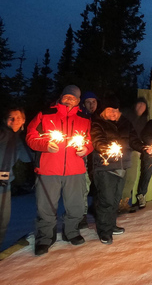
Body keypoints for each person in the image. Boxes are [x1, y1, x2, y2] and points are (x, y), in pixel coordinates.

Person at [26, 85, 93, 256]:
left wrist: (85, 149)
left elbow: (89, 141)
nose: (70, 99)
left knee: (76, 206)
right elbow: (30, 136)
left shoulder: (84, 118)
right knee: (45, 206)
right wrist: (45, 145)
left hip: (75, 170)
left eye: (74, 98)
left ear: (78, 101)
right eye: (67, 96)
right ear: (61, 97)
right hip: (48, 170)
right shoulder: (45, 114)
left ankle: (71, 232)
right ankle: (45, 238)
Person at [90, 96, 146, 244]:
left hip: (122, 165)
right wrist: (106, 149)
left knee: (115, 199)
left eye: (115, 110)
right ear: (103, 111)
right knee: (106, 200)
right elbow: (97, 141)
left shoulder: (125, 123)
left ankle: (111, 224)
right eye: (110, 110)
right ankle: (104, 231)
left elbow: (134, 140)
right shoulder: (98, 123)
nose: (113, 113)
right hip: (105, 167)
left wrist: (144, 148)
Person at [0, 108, 33, 248]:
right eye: (11, 117)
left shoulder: (18, 139)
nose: (15, 121)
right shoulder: (2, 134)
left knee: (2, 222)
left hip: (5, 185)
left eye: (18, 118)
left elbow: (27, 158)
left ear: (24, 120)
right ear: (5, 120)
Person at [120, 97, 149, 211]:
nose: (141, 107)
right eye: (139, 104)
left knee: (131, 177)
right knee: (119, 176)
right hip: (121, 149)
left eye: (143, 105)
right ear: (135, 105)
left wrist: (143, 148)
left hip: (135, 150)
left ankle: (124, 202)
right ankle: (115, 202)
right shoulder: (125, 115)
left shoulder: (144, 121)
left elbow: (144, 136)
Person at [79, 91, 99, 228]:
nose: (91, 105)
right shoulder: (79, 117)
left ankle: (97, 209)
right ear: (83, 103)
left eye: (94, 102)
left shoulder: (100, 117)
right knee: (83, 186)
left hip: (98, 157)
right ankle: (82, 215)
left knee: (99, 185)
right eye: (88, 102)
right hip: (84, 156)